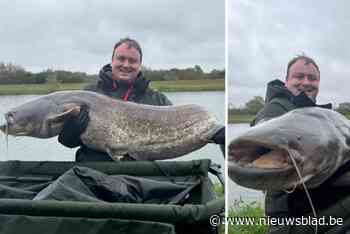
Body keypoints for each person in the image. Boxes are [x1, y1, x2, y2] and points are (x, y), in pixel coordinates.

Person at [58, 37, 224, 162]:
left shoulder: (157, 100)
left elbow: (181, 136)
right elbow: (67, 142)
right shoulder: (88, 94)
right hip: (92, 169)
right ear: (112, 60)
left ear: (140, 65)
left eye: (132, 61)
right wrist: (74, 128)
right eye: (121, 58)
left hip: (142, 176)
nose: (126, 64)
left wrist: (211, 132)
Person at [252, 55, 350, 233]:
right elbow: (262, 135)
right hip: (291, 214)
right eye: (299, 76)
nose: (306, 82)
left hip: (318, 205)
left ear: (318, 82)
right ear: (287, 81)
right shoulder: (275, 108)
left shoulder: (316, 113)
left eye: (312, 78)